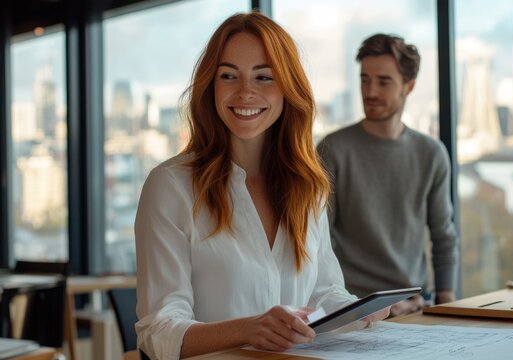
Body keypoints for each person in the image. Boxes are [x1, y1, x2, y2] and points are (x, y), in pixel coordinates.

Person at [135, 12, 389, 360]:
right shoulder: (170, 186)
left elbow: (325, 292)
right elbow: (158, 333)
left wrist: (360, 311)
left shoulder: (307, 186)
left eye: (264, 77)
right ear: (211, 86)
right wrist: (248, 329)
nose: (245, 92)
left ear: (287, 88)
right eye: (229, 76)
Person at [317, 34, 460, 317]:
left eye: (383, 81)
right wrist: (350, 307)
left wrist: (447, 305)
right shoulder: (332, 149)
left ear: (409, 87)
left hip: (416, 306)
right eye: (364, 79)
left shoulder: (431, 153)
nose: (370, 91)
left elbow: (443, 235)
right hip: (353, 308)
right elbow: (318, 242)